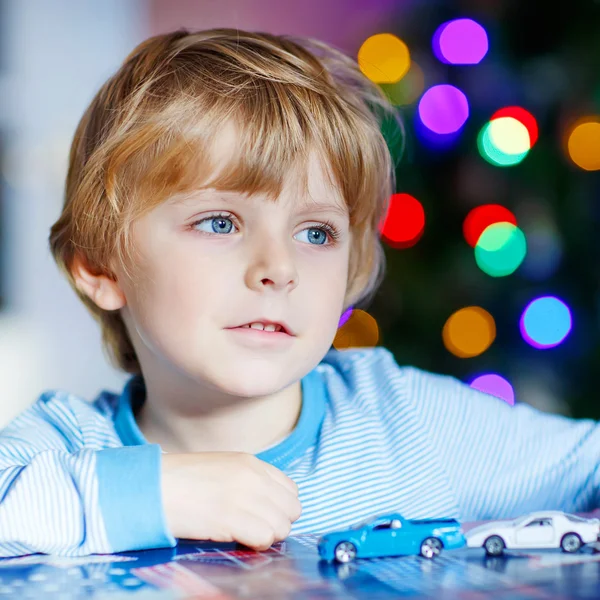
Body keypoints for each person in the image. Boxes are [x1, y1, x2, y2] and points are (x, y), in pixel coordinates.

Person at [0, 28, 597, 558]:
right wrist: (150, 495)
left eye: (316, 232)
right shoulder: (67, 446)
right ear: (101, 266)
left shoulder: (401, 419)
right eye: (220, 222)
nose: (279, 267)